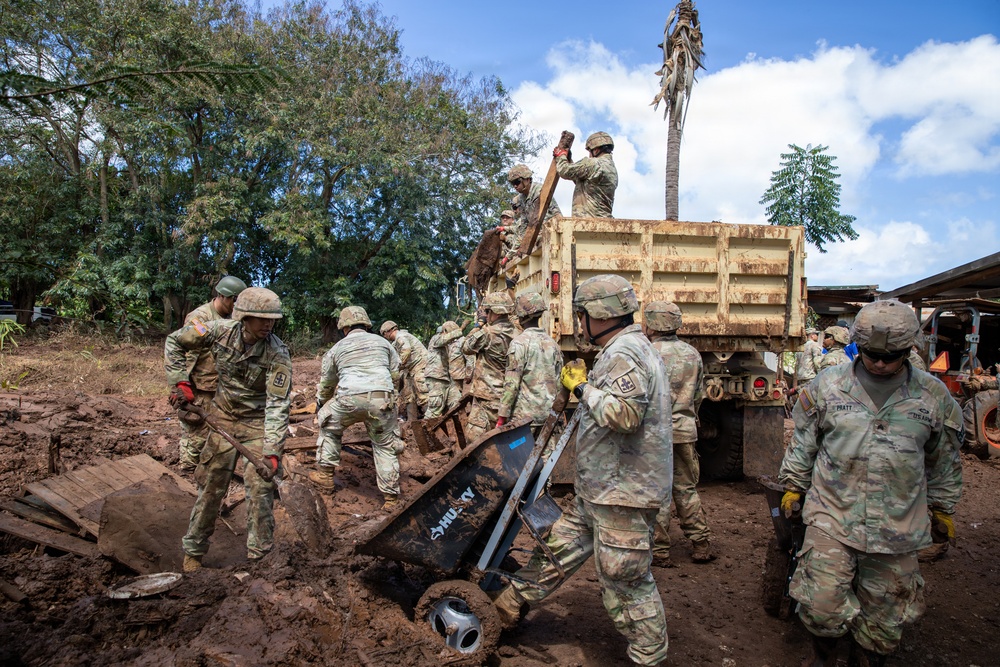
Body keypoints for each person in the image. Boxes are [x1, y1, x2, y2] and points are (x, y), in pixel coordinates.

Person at [493, 275, 672, 667]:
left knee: (625, 582)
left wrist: (582, 389)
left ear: (601, 314)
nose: (579, 322)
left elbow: (623, 415)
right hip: (600, 490)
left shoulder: (627, 352)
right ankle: (505, 606)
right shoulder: (620, 349)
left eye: (582, 314)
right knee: (557, 548)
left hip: (624, 494)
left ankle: (649, 658)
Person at [778, 299, 963, 666]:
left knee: (884, 624)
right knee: (820, 607)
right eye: (871, 354)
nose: (880, 363)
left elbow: (944, 460)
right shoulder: (827, 387)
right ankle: (825, 656)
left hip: (897, 525)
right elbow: (803, 442)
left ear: (909, 349)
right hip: (832, 516)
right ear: (858, 348)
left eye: (890, 356)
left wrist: (942, 508)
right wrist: (793, 486)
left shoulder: (932, 397)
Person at [164, 287, 291, 572]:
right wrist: (180, 382)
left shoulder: (277, 353)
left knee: (261, 489)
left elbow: (278, 406)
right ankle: (193, 553)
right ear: (243, 317)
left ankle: (260, 560)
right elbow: (174, 342)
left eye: (272, 319)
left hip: (257, 424)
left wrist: (271, 452)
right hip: (222, 418)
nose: (268, 324)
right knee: (210, 487)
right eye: (261, 318)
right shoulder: (217, 330)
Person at [310, 306, 406, 510]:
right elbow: (396, 375)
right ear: (367, 324)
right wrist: (392, 397)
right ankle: (390, 499)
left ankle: (325, 477)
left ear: (344, 328)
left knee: (329, 426)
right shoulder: (384, 343)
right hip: (382, 400)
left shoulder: (337, 348)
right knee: (385, 445)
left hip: (348, 400)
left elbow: (327, 384)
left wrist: (321, 405)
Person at [642, 301, 714, 566]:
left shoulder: (646, 352)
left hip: (653, 436)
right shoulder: (692, 354)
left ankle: (660, 551)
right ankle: (701, 543)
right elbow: (699, 395)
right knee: (686, 488)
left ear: (650, 324)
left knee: (657, 492)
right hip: (684, 431)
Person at [176, 275, 248, 472]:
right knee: (197, 429)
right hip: (201, 385)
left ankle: (208, 467)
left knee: (217, 428)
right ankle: (188, 470)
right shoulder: (200, 319)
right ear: (224, 296)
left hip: (221, 385)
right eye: (235, 301)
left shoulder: (230, 319)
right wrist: (182, 384)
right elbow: (188, 352)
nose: (236, 305)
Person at [497, 292, 564, 432]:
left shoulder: (519, 344)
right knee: (548, 454)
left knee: (523, 454)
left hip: (524, 419)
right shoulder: (553, 344)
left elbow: (511, 384)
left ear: (520, 316)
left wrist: (502, 417)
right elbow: (559, 383)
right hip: (548, 416)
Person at [461, 292, 516, 442]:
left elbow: (466, 347)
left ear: (493, 312)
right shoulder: (518, 332)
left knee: (475, 439)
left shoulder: (488, 333)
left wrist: (479, 323)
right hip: (509, 397)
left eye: (487, 311)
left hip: (487, 396)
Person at [553, 131, 618, 218]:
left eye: (590, 151)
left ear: (596, 150)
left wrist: (561, 155)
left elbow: (564, 171)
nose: (589, 154)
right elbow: (584, 182)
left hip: (587, 222)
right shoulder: (611, 169)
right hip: (603, 223)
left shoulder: (592, 163)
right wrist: (569, 160)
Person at [379, 320, 429, 416]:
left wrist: (397, 367)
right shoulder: (396, 342)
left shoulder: (401, 337)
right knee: (409, 394)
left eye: (384, 334)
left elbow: (406, 351)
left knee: (423, 393)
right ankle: (412, 421)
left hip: (420, 366)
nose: (384, 337)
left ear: (387, 331)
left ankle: (432, 419)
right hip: (410, 369)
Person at [425, 320, 465, 418]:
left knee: (457, 405)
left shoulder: (447, 345)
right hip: (436, 379)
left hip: (447, 379)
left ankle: (458, 431)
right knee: (435, 410)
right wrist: (461, 329)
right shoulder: (436, 339)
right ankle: (425, 432)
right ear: (445, 331)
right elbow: (447, 338)